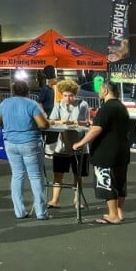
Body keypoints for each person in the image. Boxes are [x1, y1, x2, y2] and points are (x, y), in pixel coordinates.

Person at [73, 81, 130, 225]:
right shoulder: (121, 107)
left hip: (106, 152)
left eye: (100, 89)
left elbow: (96, 128)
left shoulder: (106, 107)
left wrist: (80, 143)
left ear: (105, 90)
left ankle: (113, 215)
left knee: (107, 183)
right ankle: (118, 211)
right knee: (120, 182)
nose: (99, 92)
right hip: (122, 150)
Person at [0, 80, 50, 219]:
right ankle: (41, 212)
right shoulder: (32, 104)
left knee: (17, 175)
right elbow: (43, 124)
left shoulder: (5, 104)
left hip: (11, 143)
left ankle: (19, 211)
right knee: (35, 176)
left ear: (12, 91)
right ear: (27, 91)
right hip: (30, 142)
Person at [47, 80, 90, 209]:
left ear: (75, 94)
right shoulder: (58, 105)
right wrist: (62, 121)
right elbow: (50, 121)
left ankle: (77, 200)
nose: (68, 98)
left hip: (79, 145)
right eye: (65, 95)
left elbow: (87, 122)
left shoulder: (83, 104)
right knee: (58, 174)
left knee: (78, 175)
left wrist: (76, 122)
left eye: (70, 95)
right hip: (62, 146)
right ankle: (55, 200)